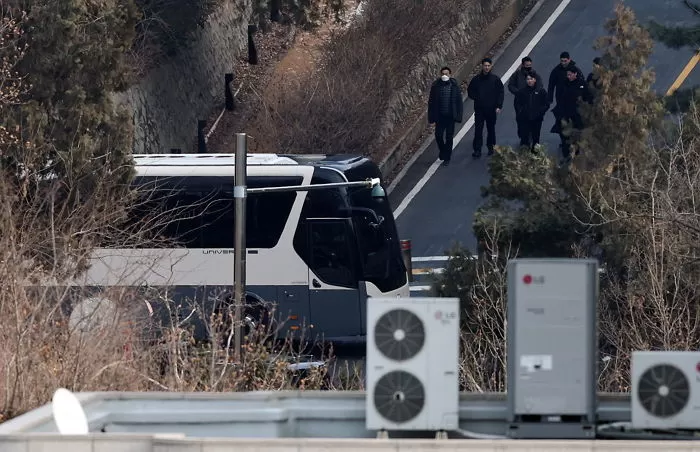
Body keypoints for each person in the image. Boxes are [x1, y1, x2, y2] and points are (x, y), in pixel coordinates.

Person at [550, 66, 591, 163]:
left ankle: (577, 158)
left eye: (570, 74)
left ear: (575, 74)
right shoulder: (564, 84)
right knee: (565, 138)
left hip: (577, 116)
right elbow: (560, 98)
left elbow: (588, 97)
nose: (568, 76)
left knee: (578, 137)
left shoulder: (582, 84)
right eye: (567, 75)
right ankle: (566, 158)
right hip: (565, 115)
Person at [468, 58, 504, 158]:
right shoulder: (476, 80)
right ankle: (477, 149)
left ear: (491, 66)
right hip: (479, 109)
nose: (487, 67)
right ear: (482, 66)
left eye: (488, 65)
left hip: (492, 109)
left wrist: (498, 105)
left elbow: (500, 93)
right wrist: (477, 98)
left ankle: (491, 147)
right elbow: (470, 91)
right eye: (485, 65)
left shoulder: (495, 79)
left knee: (491, 129)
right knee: (478, 130)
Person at [428, 66, 463, 166]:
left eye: (446, 74)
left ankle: (447, 157)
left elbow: (458, 102)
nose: (444, 75)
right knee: (438, 135)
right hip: (440, 117)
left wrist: (458, 116)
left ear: (450, 74)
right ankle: (443, 151)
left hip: (450, 117)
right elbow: (431, 102)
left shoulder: (454, 86)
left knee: (449, 137)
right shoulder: (435, 86)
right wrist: (431, 117)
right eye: (443, 74)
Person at [507, 56, 543, 144]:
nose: (528, 67)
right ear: (523, 65)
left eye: (530, 65)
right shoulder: (517, 74)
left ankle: (531, 135)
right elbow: (510, 85)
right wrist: (518, 92)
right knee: (520, 119)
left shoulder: (534, 74)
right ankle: (523, 135)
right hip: (520, 101)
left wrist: (535, 93)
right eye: (527, 65)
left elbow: (540, 85)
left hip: (532, 101)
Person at [514, 73, 549, 151]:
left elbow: (546, 104)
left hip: (537, 119)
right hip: (525, 119)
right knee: (524, 138)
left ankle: (535, 155)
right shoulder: (522, 92)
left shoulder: (541, 91)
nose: (529, 81)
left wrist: (540, 112)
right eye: (528, 79)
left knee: (536, 138)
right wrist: (521, 113)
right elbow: (517, 104)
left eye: (531, 79)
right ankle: (524, 155)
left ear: (535, 80)